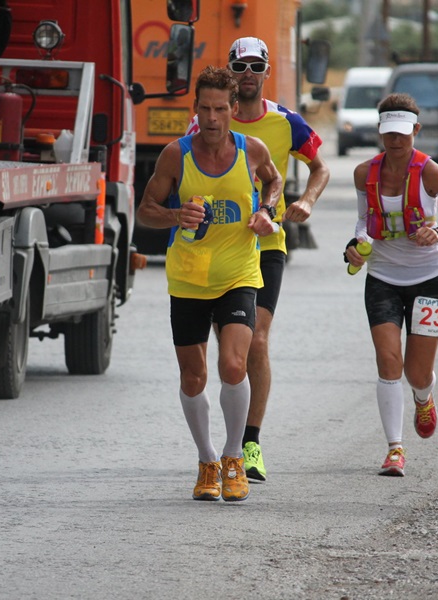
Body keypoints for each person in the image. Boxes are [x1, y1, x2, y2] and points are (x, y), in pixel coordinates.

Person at [187, 37, 330, 482]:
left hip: (266, 247)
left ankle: (249, 444)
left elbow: (320, 167)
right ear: (229, 72)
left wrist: (304, 200)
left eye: (256, 65)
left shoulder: (287, 123)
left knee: (257, 342)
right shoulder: (207, 121)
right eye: (240, 65)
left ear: (267, 71)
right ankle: (223, 443)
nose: (248, 72)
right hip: (218, 249)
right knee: (226, 353)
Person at [137, 65, 282, 501]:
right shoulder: (174, 156)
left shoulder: (251, 151)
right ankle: (206, 460)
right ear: (195, 109)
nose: (213, 119)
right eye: (205, 109)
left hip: (239, 273)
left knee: (234, 365)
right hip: (188, 277)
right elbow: (146, 209)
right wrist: (174, 215)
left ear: (235, 109)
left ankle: (234, 456)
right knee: (193, 377)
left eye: (221, 109)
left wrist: (267, 211)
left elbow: (273, 181)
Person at [344, 92, 438, 477]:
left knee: (416, 373)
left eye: (403, 133)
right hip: (382, 278)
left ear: (416, 130)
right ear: (380, 132)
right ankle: (395, 449)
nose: (396, 141)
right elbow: (363, 221)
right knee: (388, 361)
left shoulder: (431, 173)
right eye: (389, 133)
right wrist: (356, 245)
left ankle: (424, 395)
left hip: (428, 280)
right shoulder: (363, 173)